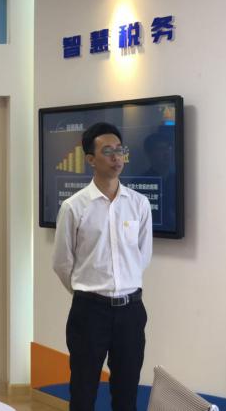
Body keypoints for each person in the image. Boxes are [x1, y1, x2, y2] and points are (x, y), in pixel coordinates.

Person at [53, 122, 152, 411]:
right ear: (90, 159)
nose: (116, 157)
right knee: (83, 393)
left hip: (131, 311)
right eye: (107, 151)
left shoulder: (139, 204)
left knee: (127, 394)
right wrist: (89, 291)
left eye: (120, 150)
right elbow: (62, 262)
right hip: (89, 312)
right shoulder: (74, 207)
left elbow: (142, 255)